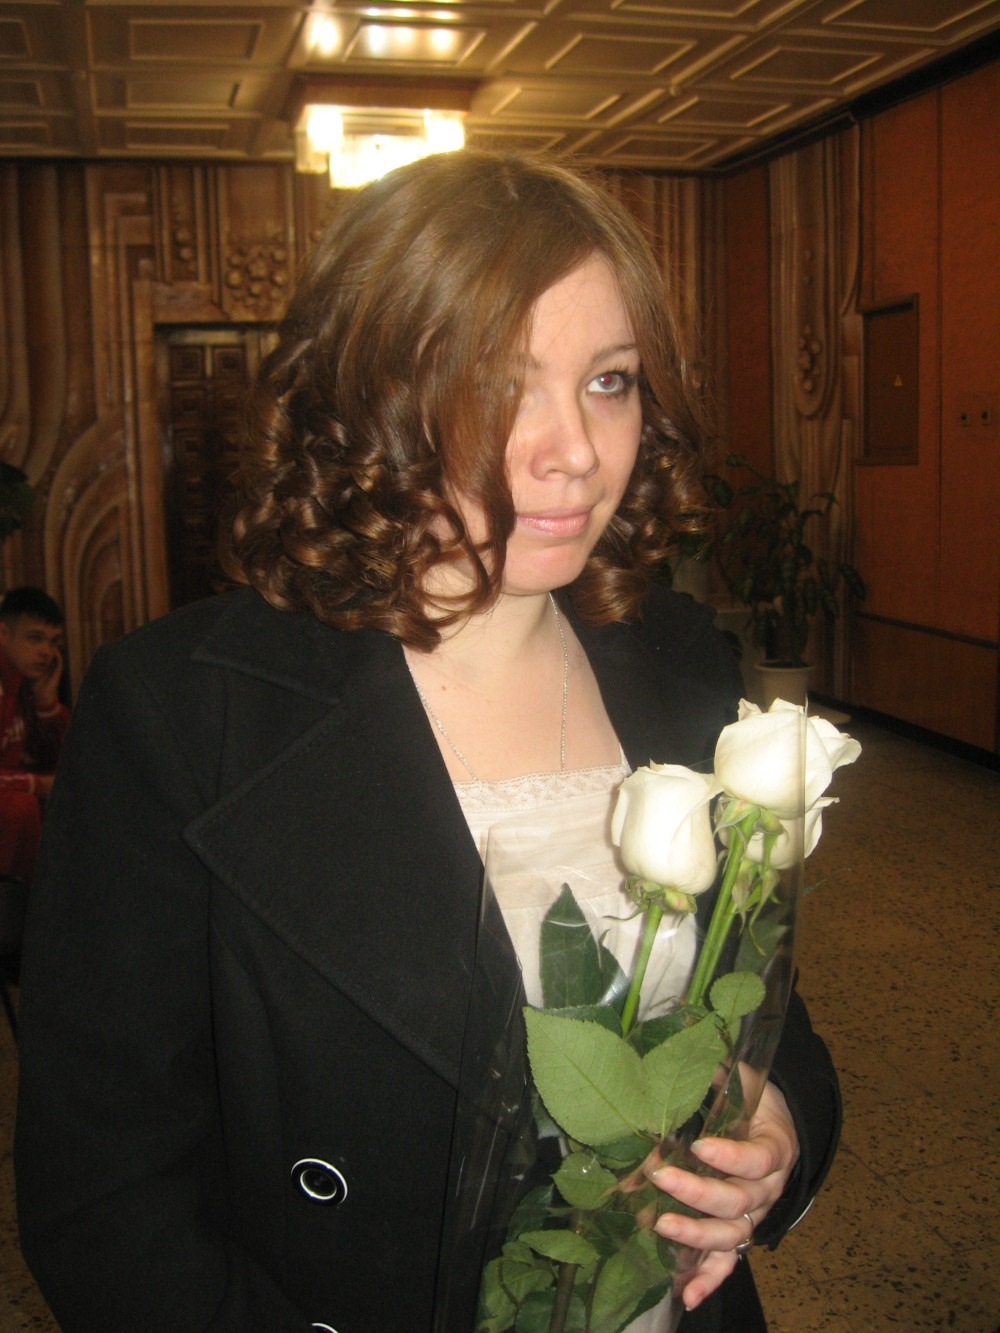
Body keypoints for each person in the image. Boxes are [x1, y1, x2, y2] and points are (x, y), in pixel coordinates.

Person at [14, 151, 840, 1332]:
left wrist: (778, 1128)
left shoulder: (677, 664)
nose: (574, 448)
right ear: (370, 401)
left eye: (608, 381)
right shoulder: (181, 713)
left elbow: (763, 1008)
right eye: (498, 384)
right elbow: (106, 1193)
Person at [0, 586, 69, 884]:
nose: (46, 652)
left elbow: (65, 764)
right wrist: (36, 784)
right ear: (3, 633)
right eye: (35, 638)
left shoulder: (25, 683)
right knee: (21, 808)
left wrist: (46, 702)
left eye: (53, 642)